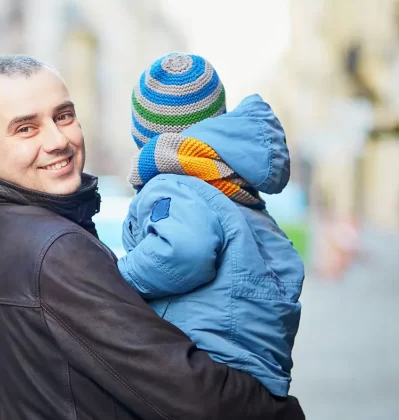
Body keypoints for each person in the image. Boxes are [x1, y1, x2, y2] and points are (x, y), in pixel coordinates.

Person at [0, 54, 305, 420]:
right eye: (26, 129)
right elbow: (199, 401)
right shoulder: (55, 249)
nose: (58, 140)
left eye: (63, 116)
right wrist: (282, 417)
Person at [118, 53, 304, 398]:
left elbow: (184, 251)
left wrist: (116, 276)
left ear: (141, 133)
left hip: (211, 357)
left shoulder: (173, 181)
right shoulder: (230, 182)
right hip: (252, 359)